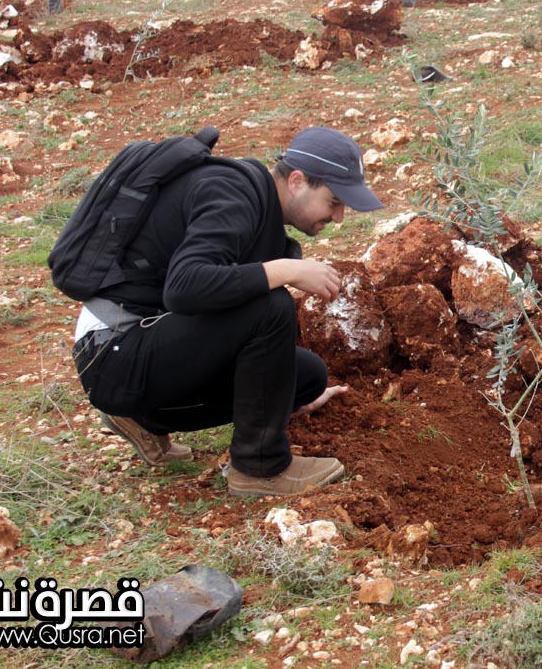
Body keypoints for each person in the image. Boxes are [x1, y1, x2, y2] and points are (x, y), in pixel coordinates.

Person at [71, 127, 385, 497]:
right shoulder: (232, 195)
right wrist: (287, 270)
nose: (339, 218)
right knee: (271, 307)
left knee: (305, 378)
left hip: (143, 346)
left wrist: (280, 395)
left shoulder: (258, 205)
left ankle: (141, 417)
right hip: (114, 349)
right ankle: (260, 468)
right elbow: (185, 287)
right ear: (298, 181)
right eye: (334, 201)